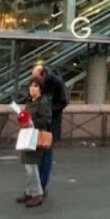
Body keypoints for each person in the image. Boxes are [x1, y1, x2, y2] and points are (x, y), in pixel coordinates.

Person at [17, 79, 52, 208]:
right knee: (28, 165)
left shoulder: (43, 102)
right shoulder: (29, 101)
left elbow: (46, 120)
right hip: (28, 135)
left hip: (35, 136)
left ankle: (37, 193)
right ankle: (29, 191)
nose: (32, 89)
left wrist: (31, 122)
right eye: (31, 86)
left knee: (32, 165)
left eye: (35, 86)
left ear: (40, 89)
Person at [35, 64, 68, 197]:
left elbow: (63, 101)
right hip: (39, 123)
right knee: (36, 156)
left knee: (46, 156)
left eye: (36, 76)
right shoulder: (39, 83)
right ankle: (35, 186)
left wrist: (48, 111)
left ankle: (41, 186)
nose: (34, 80)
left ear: (42, 74)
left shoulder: (56, 83)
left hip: (50, 124)